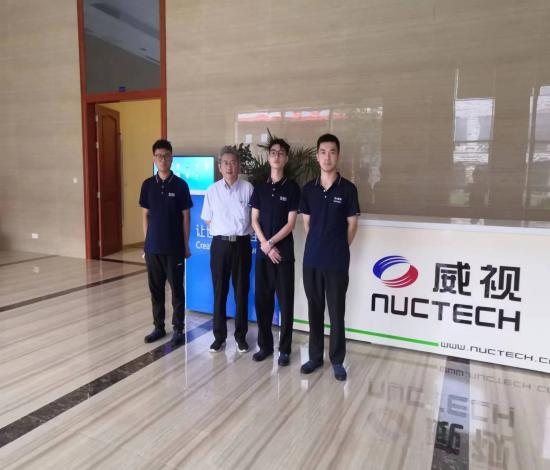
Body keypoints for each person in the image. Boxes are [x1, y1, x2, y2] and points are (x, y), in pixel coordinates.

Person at [299, 134, 360, 381]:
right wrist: (319, 245)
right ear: (317, 156)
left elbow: (352, 225)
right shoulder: (308, 189)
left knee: (336, 312)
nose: (327, 157)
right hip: (312, 261)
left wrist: (338, 247)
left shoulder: (348, 189)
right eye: (323, 152)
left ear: (338, 155)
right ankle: (315, 357)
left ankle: (337, 360)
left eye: (332, 152)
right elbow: (307, 225)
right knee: (314, 310)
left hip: (337, 262)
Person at [250, 138, 300, 366]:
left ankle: (285, 349)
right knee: (263, 302)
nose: (276, 156)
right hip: (263, 255)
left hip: (283, 255)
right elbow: (254, 219)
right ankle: (265, 346)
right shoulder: (259, 188)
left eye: (281, 153)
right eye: (273, 152)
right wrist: (265, 245)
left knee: (286, 304)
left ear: (286, 158)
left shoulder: (293, 188)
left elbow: (291, 224)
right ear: (268, 157)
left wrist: (270, 243)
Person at [139, 139, 193, 346]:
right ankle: (158, 327)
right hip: (153, 249)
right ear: (154, 158)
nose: (163, 160)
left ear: (172, 159)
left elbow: (186, 217)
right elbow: (145, 215)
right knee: (156, 290)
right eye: (159, 156)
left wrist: (185, 245)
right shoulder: (147, 185)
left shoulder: (180, 185)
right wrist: (147, 244)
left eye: (167, 156)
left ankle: (178, 329)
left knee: (177, 290)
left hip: (174, 248)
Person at [201, 146, 254, 353]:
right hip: (220, 245)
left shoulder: (248, 189)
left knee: (241, 292)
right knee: (219, 291)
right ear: (219, 166)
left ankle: (241, 337)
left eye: (233, 162)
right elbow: (207, 219)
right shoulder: (212, 190)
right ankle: (219, 337)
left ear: (238, 165)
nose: (229, 167)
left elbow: (254, 219)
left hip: (241, 244)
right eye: (226, 163)